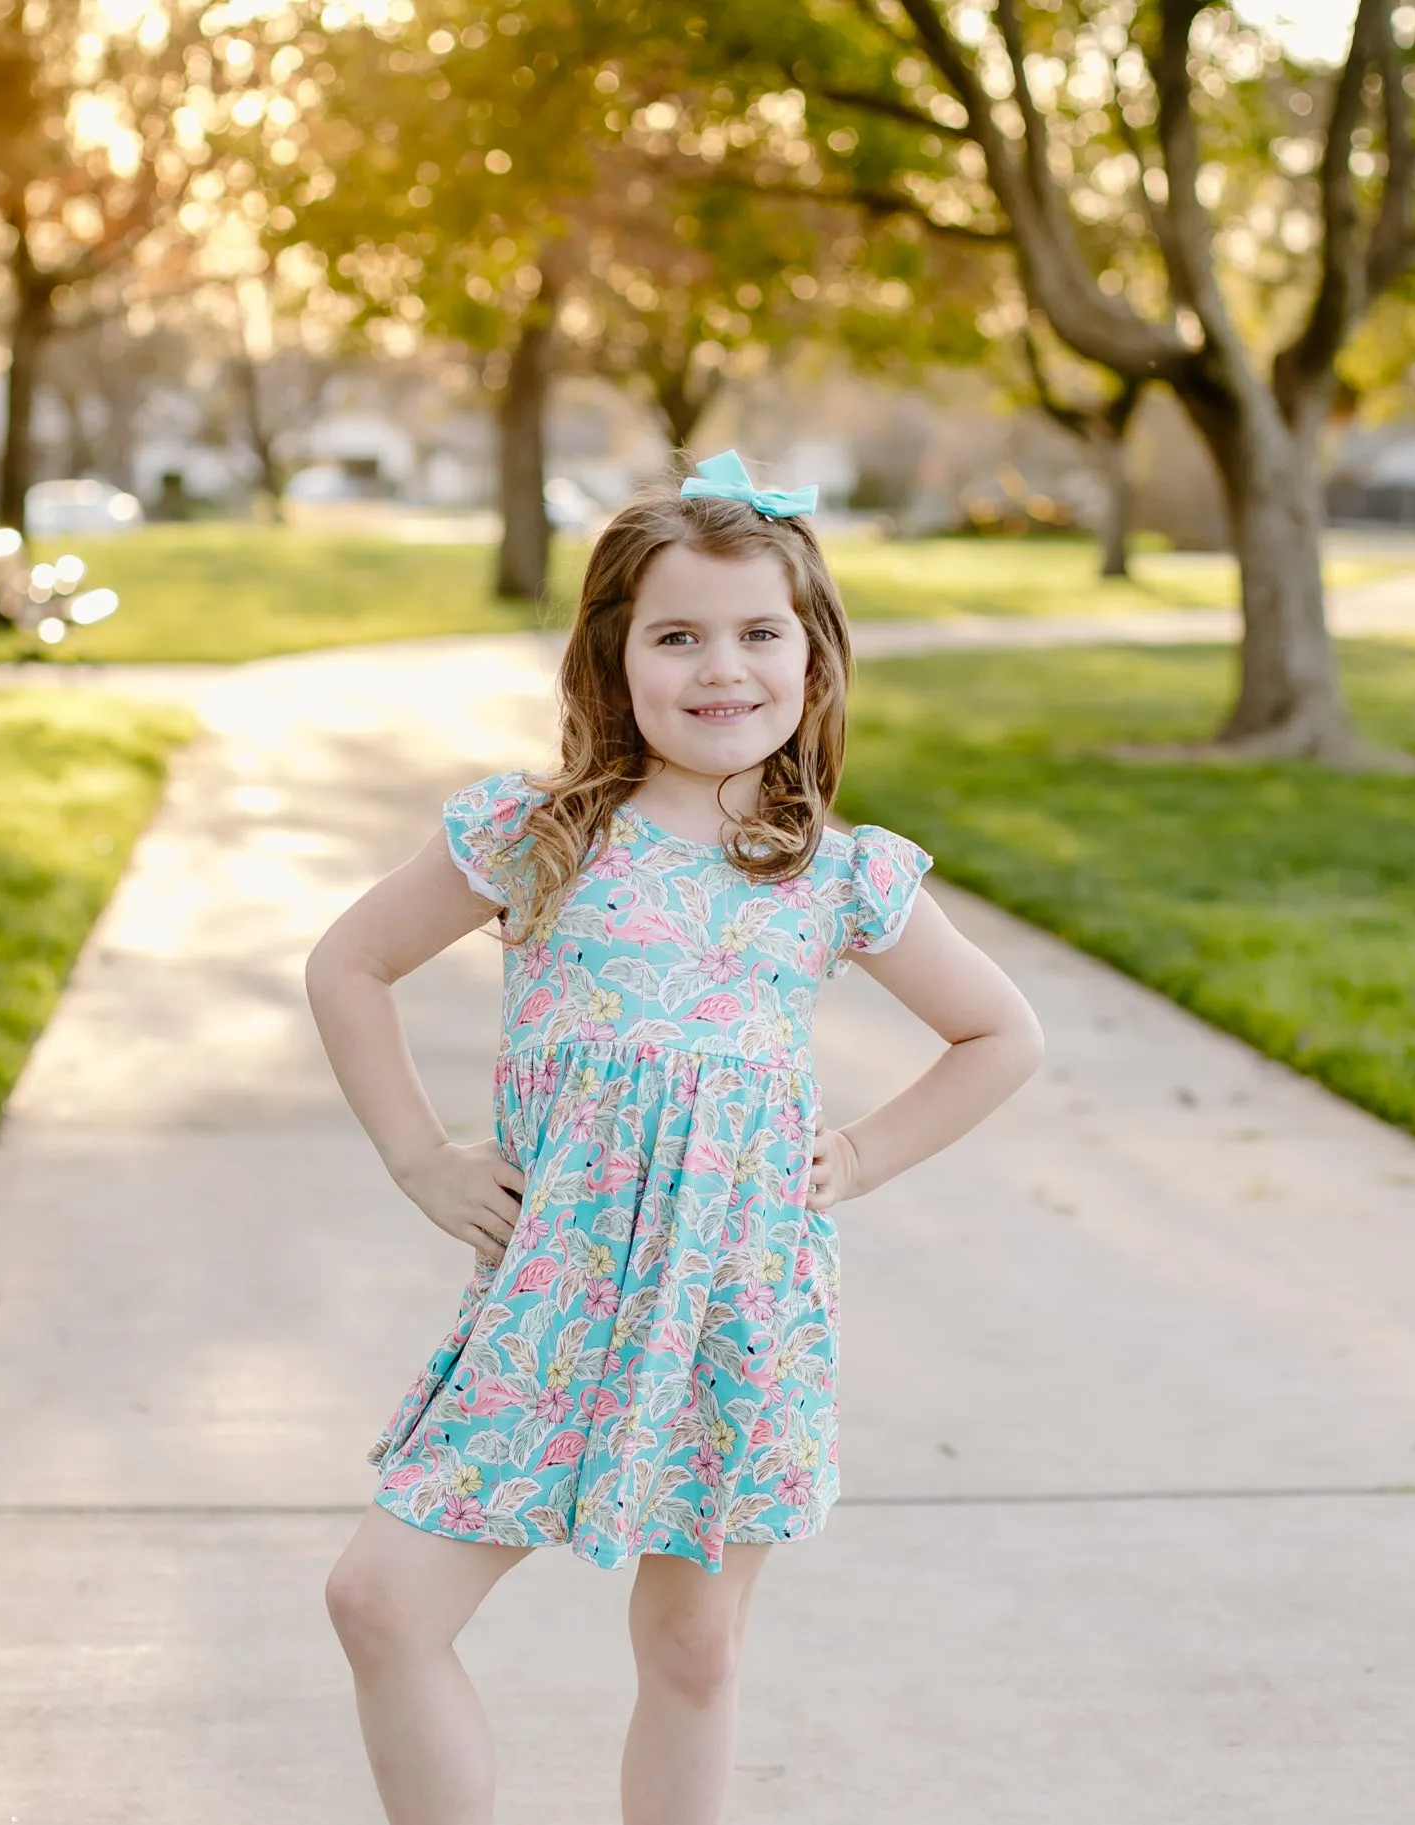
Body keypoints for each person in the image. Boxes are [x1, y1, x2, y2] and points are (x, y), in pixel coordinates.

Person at [303, 451, 1045, 1824]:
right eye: (678, 636)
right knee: (379, 1602)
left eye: (760, 632)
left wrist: (865, 1156)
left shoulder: (834, 870)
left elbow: (999, 1034)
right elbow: (348, 966)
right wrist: (422, 1156)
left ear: (813, 662)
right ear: (615, 659)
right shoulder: (536, 836)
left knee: (693, 1648)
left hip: (732, 1303)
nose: (723, 668)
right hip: (554, 1299)